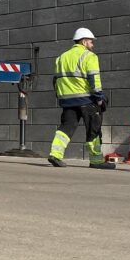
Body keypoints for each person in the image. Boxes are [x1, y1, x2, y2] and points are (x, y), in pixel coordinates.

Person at [47, 28, 115, 169]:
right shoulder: (89, 56)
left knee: (66, 128)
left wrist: (60, 96)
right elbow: (94, 78)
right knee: (93, 129)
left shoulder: (61, 57)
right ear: (84, 42)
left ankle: (55, 154)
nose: (92, 45)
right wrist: (99, 97)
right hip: (86, 99)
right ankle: (96, 160)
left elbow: (55, 80)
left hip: (67, 100)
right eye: (91, 42)